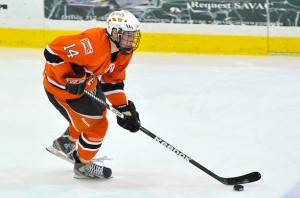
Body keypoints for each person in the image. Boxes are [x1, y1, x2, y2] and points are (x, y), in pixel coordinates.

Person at [43, 10, 141, 179]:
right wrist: (70, 77)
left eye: (134, 35)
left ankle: (65, 142)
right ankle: (83, 166)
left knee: (98, 113)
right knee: (98, 126)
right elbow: (52, 52)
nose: (131, 40)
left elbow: (112, 81)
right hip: (63, 89)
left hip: (88, 84)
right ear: (115, 32)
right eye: (127, 35)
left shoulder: (124, 52)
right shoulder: (91, 44)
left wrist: (123, 108)